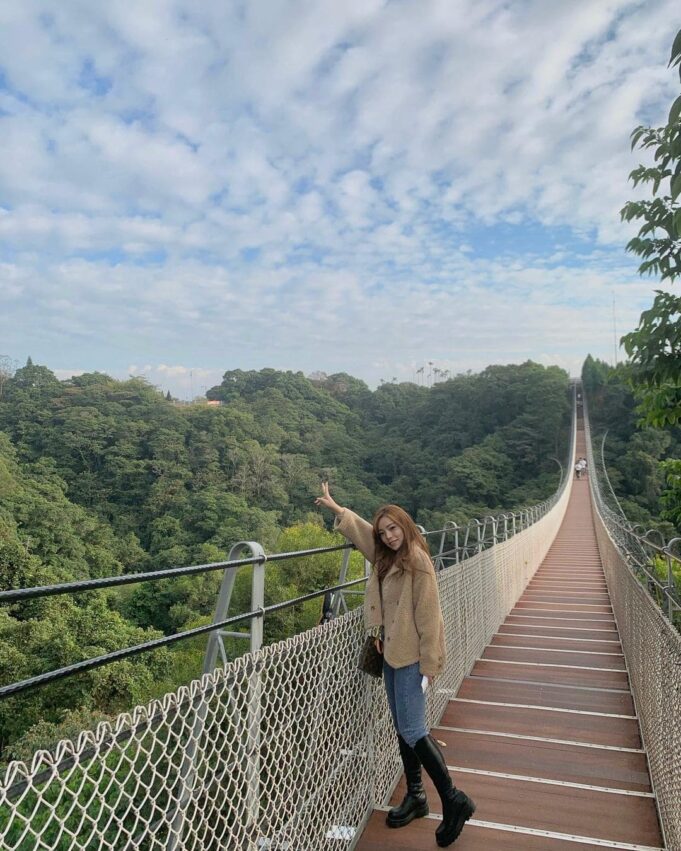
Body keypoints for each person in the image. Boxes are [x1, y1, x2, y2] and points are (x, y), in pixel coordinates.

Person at [315, 482, 476, 848]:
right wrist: (337, 509)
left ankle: (453, 800)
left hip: (411, 658)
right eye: (383, 531)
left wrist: (430, 664)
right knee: (403, 728)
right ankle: (417, 796)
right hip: (390, 652)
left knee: (414, 729)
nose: (388, 536)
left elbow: (430, 615)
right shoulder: (388, 557)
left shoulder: (417, 560)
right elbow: (364, 537)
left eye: (394, 529)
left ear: (406, 526)